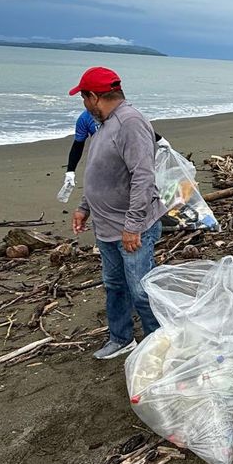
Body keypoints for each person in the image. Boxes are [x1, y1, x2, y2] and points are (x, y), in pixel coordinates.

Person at [69, 66, 167, 360]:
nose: (84, 104)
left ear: (94, 96)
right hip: (107, 226)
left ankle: (160, 346)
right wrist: (84, 207)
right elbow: (100, 172)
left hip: (131, 228)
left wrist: (133, 226)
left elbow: (143, 176)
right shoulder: (106, 124)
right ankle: (121, 338)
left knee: (141, 290)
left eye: (84, 98)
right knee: (115, 285)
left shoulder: (130, 123)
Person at [59, 109, 169, 198]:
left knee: (141, 185)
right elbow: (78, 145)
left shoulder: (119, 113)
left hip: (129, 155)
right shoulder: (85, 118)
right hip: (105, 160)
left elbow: (139, 126)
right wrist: (70, 171)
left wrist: (159, 140)